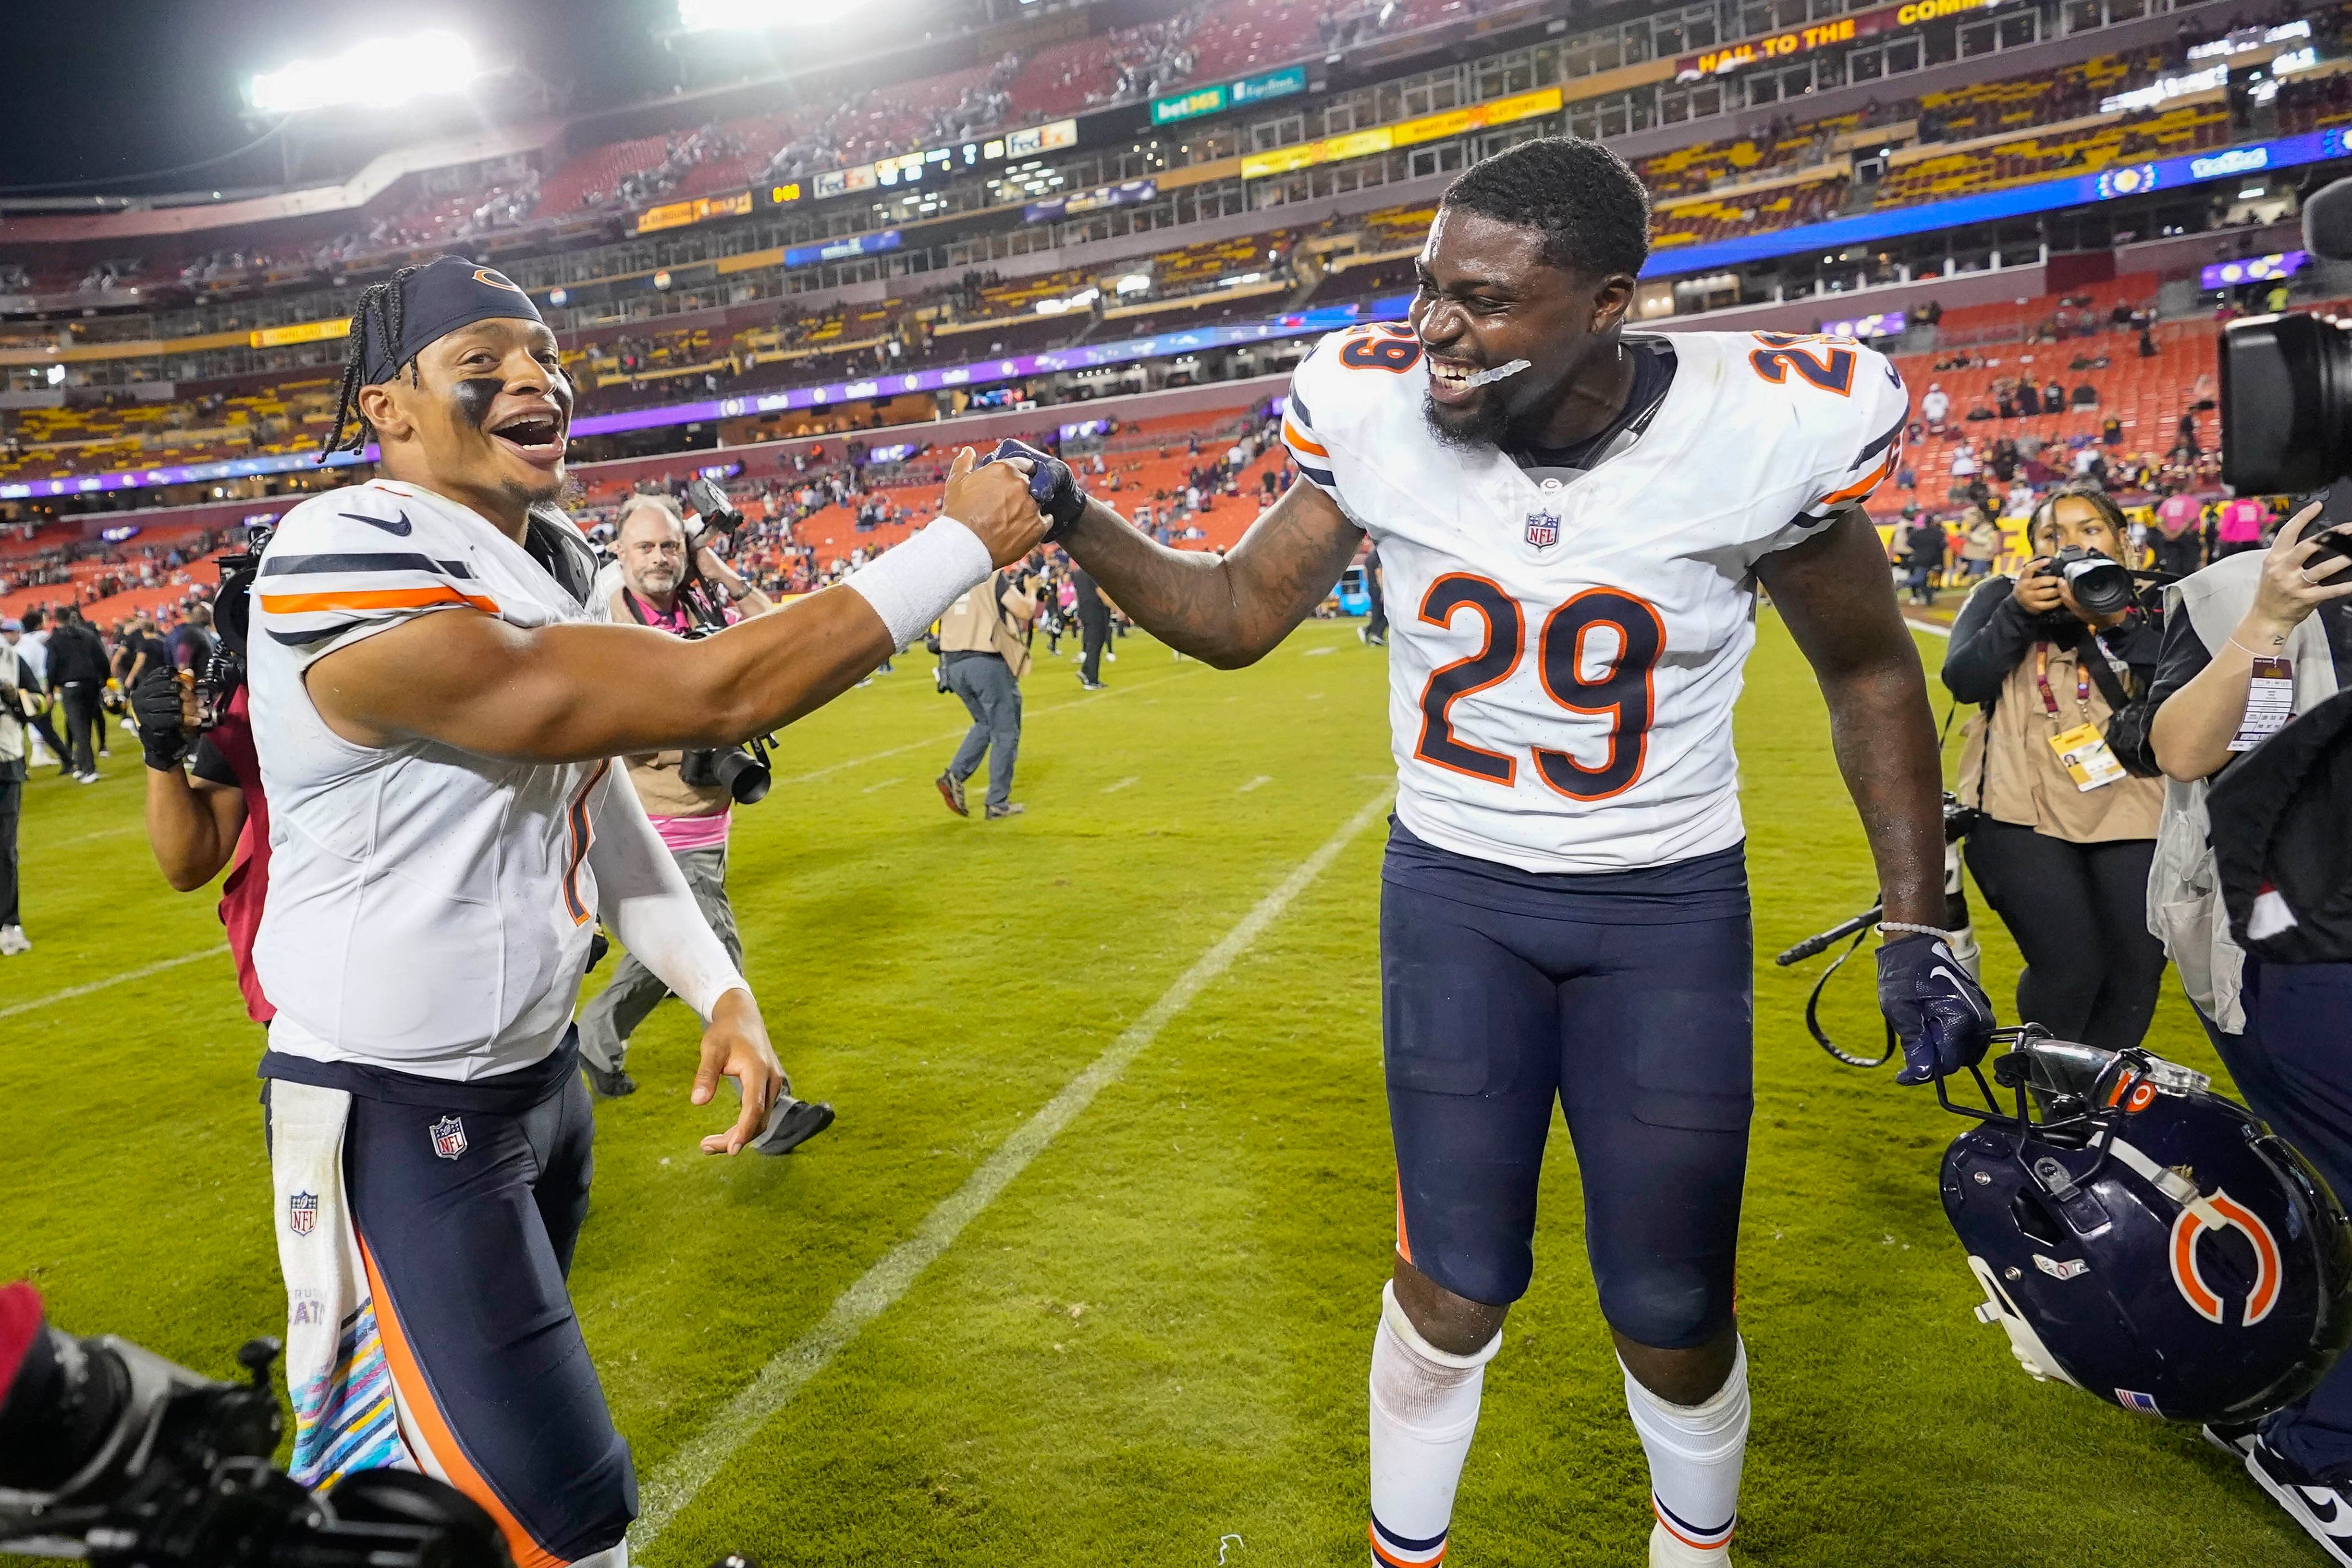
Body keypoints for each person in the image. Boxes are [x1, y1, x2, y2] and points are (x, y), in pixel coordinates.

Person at [1027, 138, 1990, 1568]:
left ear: (1608, 301)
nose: (1436, 329)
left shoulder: (1762, 423)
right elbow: (1234, 612)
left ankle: (1691, 1547)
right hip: (1457, 897)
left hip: (1664, 905)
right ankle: (1401, 1551)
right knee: (1454, 1277)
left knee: (1669, 1301)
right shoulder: (1374, 414)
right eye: (1426, 289)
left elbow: (1866, 667)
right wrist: (1070, 511)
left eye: (1482, 299)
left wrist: (1923, 918)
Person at [245, 256, 1044, 1568]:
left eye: (546, 357)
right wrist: (956, 543)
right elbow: (714, 696)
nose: (534, 382)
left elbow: (593, 798)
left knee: (435, 1492)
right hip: (393, 1103)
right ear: (387, 411)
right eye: (484, 365)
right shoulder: (341, 552)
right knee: (561, 1507)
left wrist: (712, 985)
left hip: (537, 1080)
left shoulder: (541, 550)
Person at [2146, 499, 2352, 1560]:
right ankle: (2315, 1446)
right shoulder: (2232, 589)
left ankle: (2283, 1391)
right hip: (2285, 943)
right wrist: (2267, 619)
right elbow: (2178, 752)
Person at [576, 494, 834, 1153]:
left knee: (666, 955)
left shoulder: (697, 606)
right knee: (721, 967)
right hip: (654, 822)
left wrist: (721, 576)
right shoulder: (604, 622)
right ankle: (775, 1112)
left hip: (707, 818)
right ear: (619, 554)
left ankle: (595, 1038)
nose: (660, 558)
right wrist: (697, 716)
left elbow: (777, 639)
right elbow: (610, 724)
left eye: (670, 546)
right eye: (645, 547)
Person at [1939, 486, 2168, 1050]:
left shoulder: (2159, 600)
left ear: (2123, 540)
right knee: (2069, 970)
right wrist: (2018, 612)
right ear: (2033, 550)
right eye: (2052, 535)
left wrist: (2117, 619)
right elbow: (1964, 681)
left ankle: (2097, 1101)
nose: (2071, 544)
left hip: (2135, 803)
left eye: (2089, 530)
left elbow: (2193, 682)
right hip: (2019, 808)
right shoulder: (1999, 596)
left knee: (2136, 970)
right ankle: (2049, 1106)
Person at [934, 561, 1036, 820]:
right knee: (1006, 731)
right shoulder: (991, 577)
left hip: (953, 664)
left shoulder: (948, 580)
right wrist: (1032, 590)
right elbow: (1024, 611)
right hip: (985, 660)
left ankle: (954, 776)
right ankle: (997, 803)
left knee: (984, 724)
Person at [0, 618, 40, 955]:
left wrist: (16, 698)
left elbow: (41, 703)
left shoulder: (11, 658)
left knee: (4, 848)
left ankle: (9, 923)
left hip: (5, 762)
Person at [42, 606, 109, 784]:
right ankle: (80, 765)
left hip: (71, 687)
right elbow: (102, 659)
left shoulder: (54, 641)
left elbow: (52, 666)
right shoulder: (88, 635)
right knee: (85, 726)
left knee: (78, 729)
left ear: (56, 619)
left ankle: (89, 770)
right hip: (91, 685)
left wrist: (49, 689)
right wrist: (105, 680)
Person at [1073, 561, 1111, 689]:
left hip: (1084, 610)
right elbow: (1101, 592)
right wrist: (1117, 608)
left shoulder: (1078, 573)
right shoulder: (1093, 571)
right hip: (1096, 611)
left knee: (1092, 642)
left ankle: (1086, 671)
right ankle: (1092, 680)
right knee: (1096, 643)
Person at [1359, 542, 1388, 645]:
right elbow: (1379, 573)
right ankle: (1375, 634)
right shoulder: (1378, 554)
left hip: (1372, 587)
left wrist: (1369, 584)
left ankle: (1372, 632)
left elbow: (1365, 572)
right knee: (1385, 613)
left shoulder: (1370, 556)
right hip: (1378, 588)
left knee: (1377, 612)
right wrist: (1383, 591)